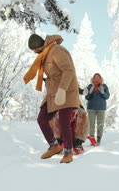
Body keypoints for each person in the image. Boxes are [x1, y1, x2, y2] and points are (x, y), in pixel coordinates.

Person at [24, 33, 81, 164]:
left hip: (65, 92)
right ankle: (54, 146)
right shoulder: (45, 54)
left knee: (63, 122)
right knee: (42, 119)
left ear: (39, 46)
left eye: (35, 50)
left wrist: (62, 89)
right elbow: (54, 73)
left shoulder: (57, 50)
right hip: (52, 94)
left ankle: (68, 151)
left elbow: (69, 70)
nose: (35, 53)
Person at [84, 73, 110, 145]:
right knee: (91, 124)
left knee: (100, 124)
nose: (96, 78)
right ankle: (92, 139)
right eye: (94, 77)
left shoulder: (104, 86)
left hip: (101, 108)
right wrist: (90, 92)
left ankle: (99, 139)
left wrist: (102, 92)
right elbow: (87, 97)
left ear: (100, 78)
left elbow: (107, 96)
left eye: (97, 77)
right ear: (92, 79)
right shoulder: (90, 86)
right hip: (91, 108)